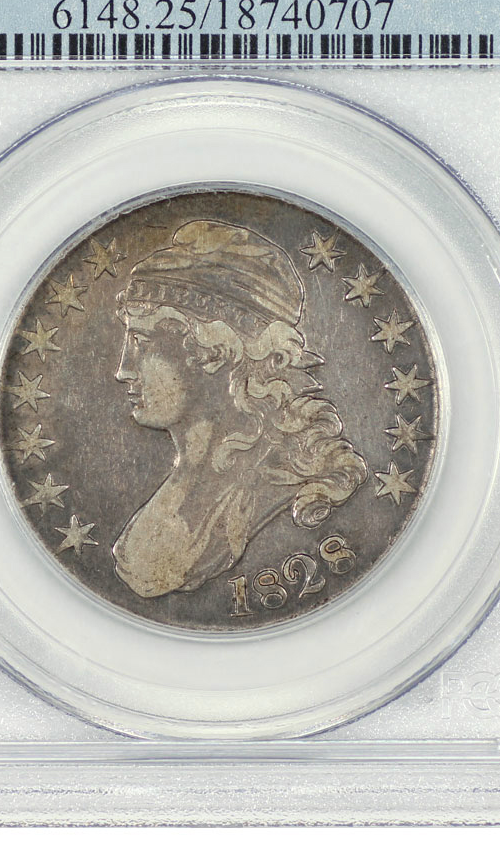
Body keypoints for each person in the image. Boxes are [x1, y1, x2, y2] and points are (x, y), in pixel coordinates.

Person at [113, 218, 367, 598]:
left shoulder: (282, 491)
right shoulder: (184, 484)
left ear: (216, 353)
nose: (123, 370)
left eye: (142, 343)